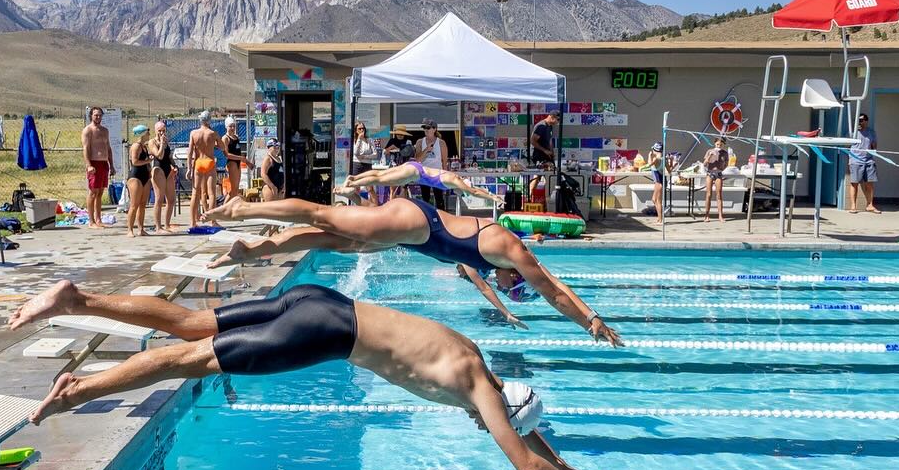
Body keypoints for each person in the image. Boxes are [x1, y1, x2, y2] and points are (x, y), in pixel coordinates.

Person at [10, 281, 623, 470]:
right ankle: (78, 392)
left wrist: (574, 468)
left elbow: (526, 433)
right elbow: (525, 460)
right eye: (494, 425)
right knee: (189, 360)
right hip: (327, 334)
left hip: (320, 300)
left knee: (193, 324)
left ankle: (77, 300)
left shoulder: (476, 364)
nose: (486, 427)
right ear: (501, 412)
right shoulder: (478, 393)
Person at [204, 195, 622, 343]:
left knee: (330, 241)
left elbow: (552, 281)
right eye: (513, 289)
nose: (505, 286)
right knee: (323, 217)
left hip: (409, 234)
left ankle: (253, 251)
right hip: (415, 222)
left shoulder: (496, 263)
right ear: (517, 277)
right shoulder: (505, 247)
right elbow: (550, 289)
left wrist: (591, 315)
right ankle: (244, 208)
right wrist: (590, 321)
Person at [338, 161, 501, 204]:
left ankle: (353, 178)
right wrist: (492, 199)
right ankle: (352, 184)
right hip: (414, 173)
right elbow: (474, 191)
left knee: (380, 174)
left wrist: (491, 194)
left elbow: (476, 190)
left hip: (414, 167)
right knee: (381, 180)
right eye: (463, 190)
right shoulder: (455, 180)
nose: (462, 192)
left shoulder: (455, 179)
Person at [189, 111, 224, 227]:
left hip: (199, 162)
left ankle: (193, 222)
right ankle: (213, 221)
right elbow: (222, 147)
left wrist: (189, 168)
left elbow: (190, 152)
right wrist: (214, 144)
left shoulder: (194, 133)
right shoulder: (213, 133)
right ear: (209, 120)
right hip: (209, 161)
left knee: (195, 193)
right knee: (212, 193)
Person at [82, 107, 114, 231]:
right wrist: (89, 165)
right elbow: (85, 148)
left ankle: (99, 219)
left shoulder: (105, 130)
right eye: (96, 115)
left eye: (100, 115)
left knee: (100, 192)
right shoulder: (88, 130)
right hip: (94, 163)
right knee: (93, 192)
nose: (98, 118)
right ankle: (91, 221)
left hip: (103, 163)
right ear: (91, 116)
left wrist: (111, 165)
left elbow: (108, 148)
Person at [846, 113, 880, 214]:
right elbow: (846, 147)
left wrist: (873, 144)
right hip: (855, 161)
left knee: (870, 183)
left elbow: (874, 147)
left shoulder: (871, 132)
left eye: (861, 120)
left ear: (866, 121)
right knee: (854, 183)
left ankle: (870, 205)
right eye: (858, 120)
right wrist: (851, 159)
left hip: (869, 160)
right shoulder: (852, 132)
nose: (860, 122)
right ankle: (853, 206)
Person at [415, 119, 449, 210]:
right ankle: (426, 219)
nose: (426, 130)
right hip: (424, 173)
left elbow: (444, 162)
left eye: (428, 128)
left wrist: (445, 177)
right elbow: (417, 159)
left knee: (439, 199)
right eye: (424, 128)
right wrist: (426, 149)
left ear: (434, 129)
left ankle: (442, 219)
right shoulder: (419, 142)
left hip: (437, 173)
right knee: (425, 199)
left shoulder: (441, 143)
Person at [149, 121, 176, 233]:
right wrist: (161, 143)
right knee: (159, 199)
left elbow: (168, 156)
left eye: (163, 130)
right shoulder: (152, 142)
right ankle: (158, 227)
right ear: (155, 131)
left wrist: (174, 165)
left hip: (167, 170)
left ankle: (167, 224)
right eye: (159, 130)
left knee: (171, 199)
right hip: (158, 169)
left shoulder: (166, 140)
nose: (161, 133)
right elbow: (159, 155)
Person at [126, 125, 152, 237]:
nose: (149, 134)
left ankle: (141, 229)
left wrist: (149, 170)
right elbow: (135, 162)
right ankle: (130, 230)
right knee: (134, 204)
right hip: (135, 177)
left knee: (142, 204)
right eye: (147, 132)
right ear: (142, 133)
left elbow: (146, 161)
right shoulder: (136, 146)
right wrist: (147, 161)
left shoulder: (144, 147)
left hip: (145, 176)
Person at [222, 117, 252, 199]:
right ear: (226, 127)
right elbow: (227, 154)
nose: (232, 128)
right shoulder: (225, 138)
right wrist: (241, 158)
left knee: (236, 189)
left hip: (238, 163)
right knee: (233, 189)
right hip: (232, 163)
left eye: (234, 126)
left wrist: (247, 162)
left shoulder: (236, 137)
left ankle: (228, 208)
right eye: (230, 126)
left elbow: (239, 152)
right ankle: (225, 208)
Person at [702, 137, 728, 222]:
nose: (719, 146)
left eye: (721, 145)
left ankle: (720, 216)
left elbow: (726, 163)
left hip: (718, 173)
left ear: (723, 145)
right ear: (714, 144)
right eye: (717, 144)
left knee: (719, 194)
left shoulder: (724, 153)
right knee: (708, 194)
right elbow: (705, 163)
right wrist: (710, 156)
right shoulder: (710, 151)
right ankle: (706, 215)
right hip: (710, 173)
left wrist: (722, 168)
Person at [646, 143, 665, 225]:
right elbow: (669, 170)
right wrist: (672, 163)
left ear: (655, 150)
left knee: (658, 201)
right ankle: (659, 218)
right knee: (654, 200)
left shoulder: (656, 159)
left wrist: (649, 156)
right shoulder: (664, 159)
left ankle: (661, 220)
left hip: (659, 183)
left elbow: (649, 164)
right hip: (658, 182)